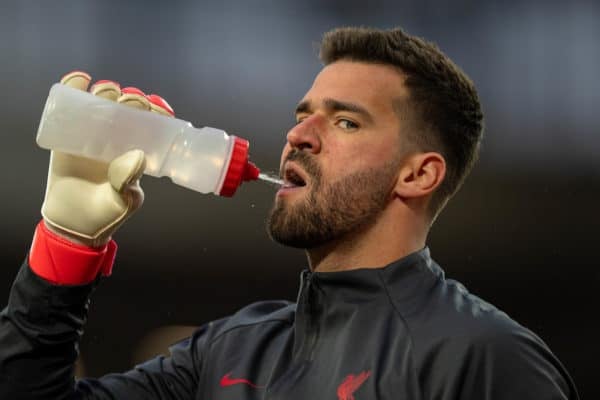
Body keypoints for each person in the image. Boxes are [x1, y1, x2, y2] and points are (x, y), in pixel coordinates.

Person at [0, 26, 579, 399]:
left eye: (345, 121)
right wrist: (64, 248)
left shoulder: (482, 355)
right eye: (303, 114)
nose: (299, 134)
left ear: (418, 174)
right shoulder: (227, 351)